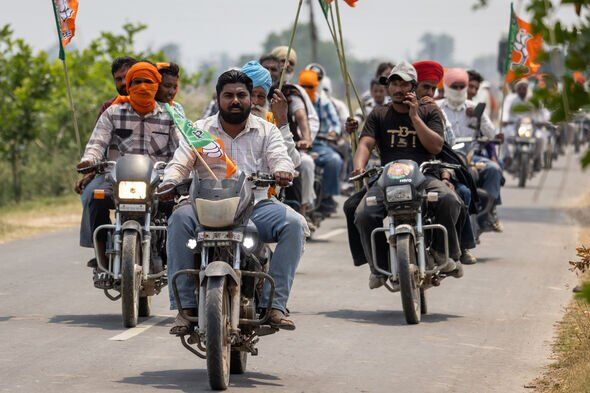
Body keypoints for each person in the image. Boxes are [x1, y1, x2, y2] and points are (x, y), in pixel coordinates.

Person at [159, 70, 305, 333]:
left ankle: (276, 306)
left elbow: (280, 157)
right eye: (228, 95)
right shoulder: (199, 130)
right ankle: (185, 308)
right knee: (178, 219)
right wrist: (170, 181)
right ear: (218, 99)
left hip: (255, 206)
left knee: (293, 224)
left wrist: (283, 170)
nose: (235, 100)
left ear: (251, 100)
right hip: (203, 205)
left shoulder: (267, 130)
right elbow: (179, 162)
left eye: (241, 95)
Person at [346, 61, 464, 289]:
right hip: (387, 178)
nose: (398, 89)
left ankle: (442, 252)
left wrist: (415, 117)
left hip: (424, 176)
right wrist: (359, 166)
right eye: (394, 83)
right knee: (362, 213)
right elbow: (365, 143)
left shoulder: (429, 111)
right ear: (388, 87)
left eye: (404, 84)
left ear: (413, 86)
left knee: (450, 200)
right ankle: (378, 267)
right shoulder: (378, 114)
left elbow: (436, 147)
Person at [75, 61, 180, 269]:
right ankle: (102, 256)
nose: (142, 87)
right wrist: (89, 160)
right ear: (129, 85)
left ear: (156, 85)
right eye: (137, 81)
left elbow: (182, 149)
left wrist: (179, 173)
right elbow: (97, 143)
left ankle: (171, 256)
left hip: (156, 180)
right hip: (115, 179)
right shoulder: (113, 113)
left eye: (147, 82)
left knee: (175, 205)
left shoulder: (170, 116)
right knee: (96, 198)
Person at [437, 68, 504, 232]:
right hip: (444, 158)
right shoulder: (437, 107)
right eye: (455, 86)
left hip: (470, 158)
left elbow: (491, 134)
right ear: (446, 86)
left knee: (494, 169)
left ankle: (488, 211)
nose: (459, 90)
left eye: (462, 86)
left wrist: (478, 117)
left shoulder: (475, 107)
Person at [263, 49, 319, 221]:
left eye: (274, 70)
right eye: (266, 70)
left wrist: (306, 139)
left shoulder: (289, 93)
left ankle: (302, 212)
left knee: (305, 163)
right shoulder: (246, 94)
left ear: (281, 71)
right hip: (258, 150)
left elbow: (301, 116)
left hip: (285, 146)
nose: (271, 74)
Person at [240, 60, 301, 168]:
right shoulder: (229, 120)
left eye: (261, 96)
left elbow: (294, 161)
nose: (255, 102)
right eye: (251, 95)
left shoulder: (272, 121)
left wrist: (282, 121)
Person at [299, 69, 343, 215]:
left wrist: (333, 132)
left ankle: (326, 198)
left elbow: (335, 123)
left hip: (319, 145)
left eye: (310, 87)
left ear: (316, 86)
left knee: (335, 160)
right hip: (298, 145)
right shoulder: (294, 99)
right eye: (303, 86)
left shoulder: (323, 103)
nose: (306, 90)